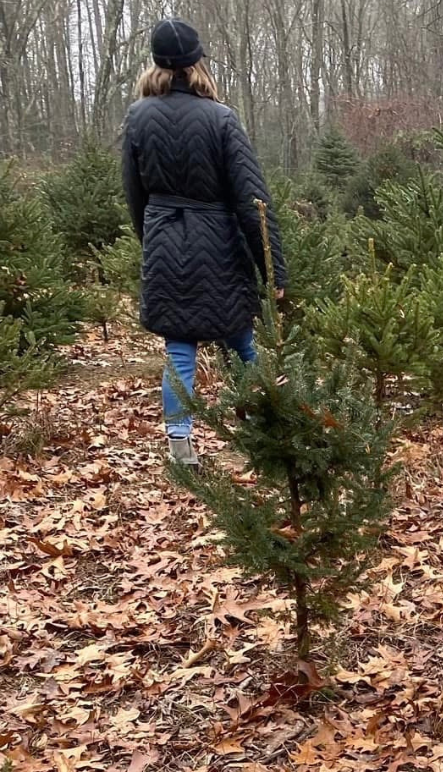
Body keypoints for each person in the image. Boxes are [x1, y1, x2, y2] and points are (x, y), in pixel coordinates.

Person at [122, 19, 287, 467]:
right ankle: (261, 430)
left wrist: (153, 241)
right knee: (243, 343)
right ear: (197, 64)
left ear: (156, 64)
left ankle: (180, 445)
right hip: (220, 247)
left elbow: (135, 195)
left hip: (164, 239)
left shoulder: (137, 116)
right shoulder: (220, 118)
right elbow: (253, 199)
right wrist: (275, 270)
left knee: (179, 347)